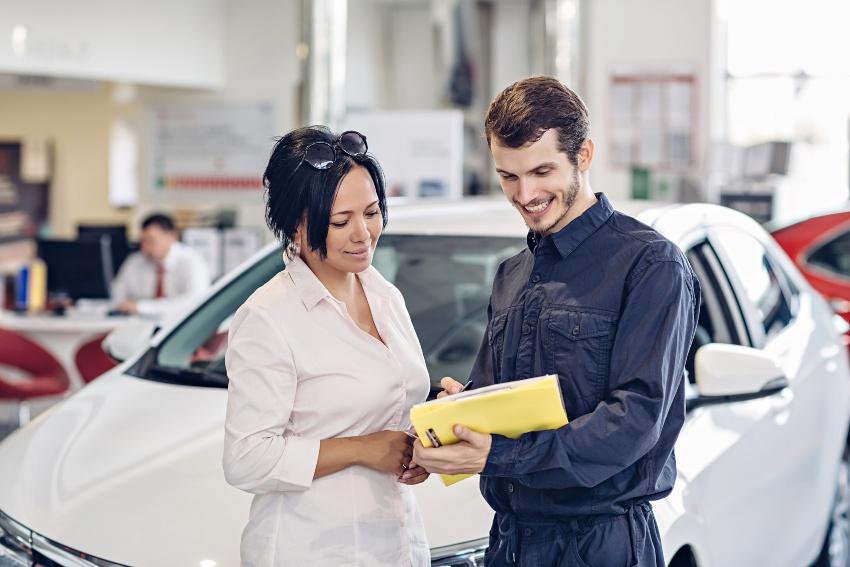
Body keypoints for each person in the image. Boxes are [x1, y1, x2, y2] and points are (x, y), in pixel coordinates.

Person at [413, 76, 701, 566]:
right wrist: (458, 408)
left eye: (542, 171)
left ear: (583, 155)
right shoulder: (511, 274)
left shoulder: (651, 265)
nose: (525, 194)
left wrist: (499, 456)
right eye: (508, 177)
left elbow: (634, 422)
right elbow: (498, 397)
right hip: (510, 541)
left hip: (600, 543)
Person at [222, 127, 431, 566]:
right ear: (296, 224)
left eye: (372, 213)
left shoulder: (385, 295)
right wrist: (362, 448)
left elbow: (391, 409)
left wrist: (424, 439)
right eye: (340, 222)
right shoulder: (269, 317)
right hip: (312, 549)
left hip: (396, 543)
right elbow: (246, 459)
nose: (363, 234)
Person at [111, 213, 211, 320]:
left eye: (151, 240)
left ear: (171, 237)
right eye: (143, 240)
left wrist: (141, 307)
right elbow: (118, 295)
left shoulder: (192, 261)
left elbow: (194, 302)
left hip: (179, 325)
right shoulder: (135, 261)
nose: (145, 247)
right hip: (138, 325)